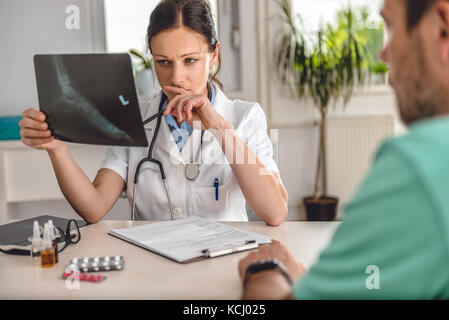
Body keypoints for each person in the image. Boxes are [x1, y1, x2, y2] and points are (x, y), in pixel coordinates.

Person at [238, 0, 449, 299]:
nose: (383, 55)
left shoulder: (422, 166)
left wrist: (265, 270)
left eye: (390, 27)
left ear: (442, 25)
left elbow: (274, 211)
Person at [19, 0, 288, 225]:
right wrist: (56, 149)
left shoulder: (245, 117)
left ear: (214, 55)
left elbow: (275, 212)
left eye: (190, 60)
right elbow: (94, 207)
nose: (177, 77)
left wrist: (220, 128)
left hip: (223, 270)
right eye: (163, 63)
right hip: (152, 271)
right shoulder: (134, 119)